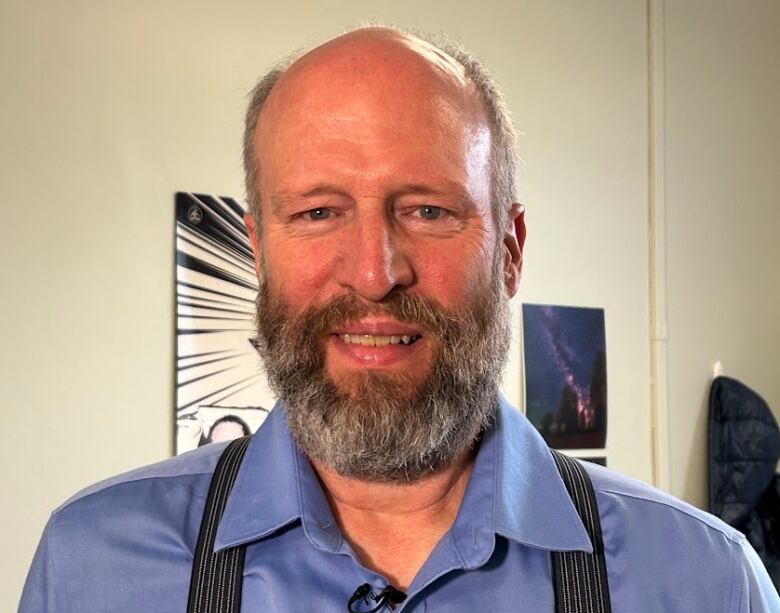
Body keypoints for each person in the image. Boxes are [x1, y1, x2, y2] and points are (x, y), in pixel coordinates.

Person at [19, 26, 780, 612]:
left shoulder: (706, 581)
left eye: (426, 209)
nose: (375, 274)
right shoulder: (90, 566)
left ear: (510, 251)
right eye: (318, 212)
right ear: (258, 250)